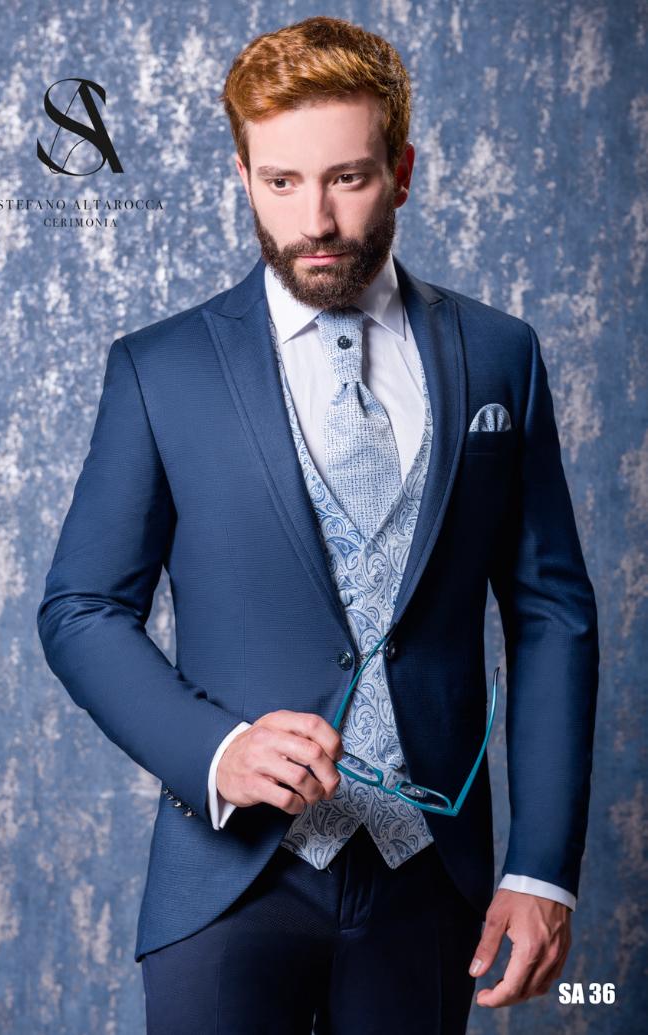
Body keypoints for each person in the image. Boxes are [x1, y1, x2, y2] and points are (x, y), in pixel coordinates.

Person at [37, 15, 600, 1035]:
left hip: (430, 886)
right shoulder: (162, 370)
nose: (317, 221)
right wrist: (217, 751)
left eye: (348, 178)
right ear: (243, 177)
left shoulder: (500, 356)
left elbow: (551, 614)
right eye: (282, 182)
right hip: (224, 884)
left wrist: (541, 870)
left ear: (402, 171)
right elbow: (81, 608)